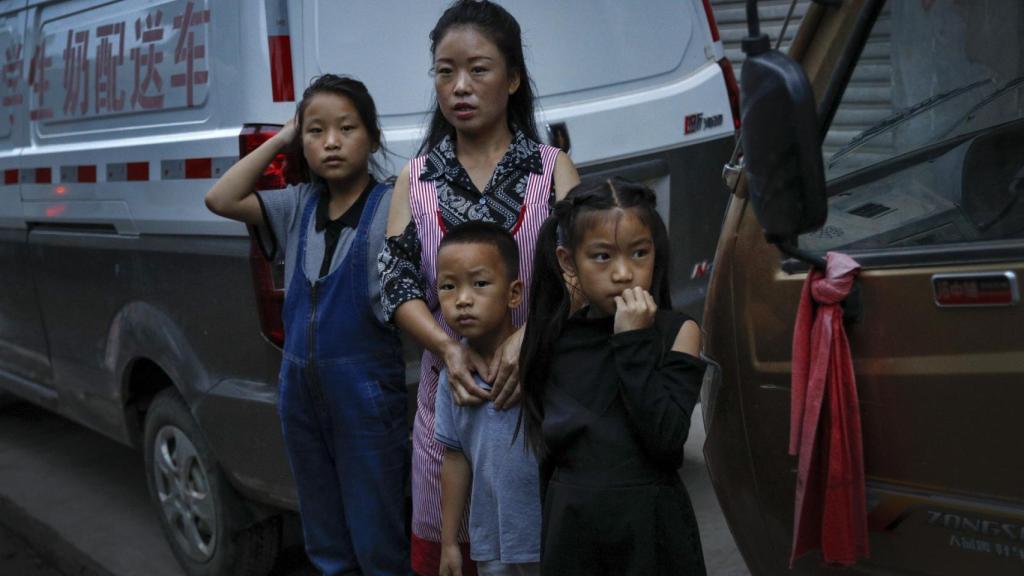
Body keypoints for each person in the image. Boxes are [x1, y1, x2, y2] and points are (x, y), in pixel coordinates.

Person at [378, 2, 579, 574]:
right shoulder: (415, 179)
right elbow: (394, 285)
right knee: (452, 545)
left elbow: (579, 276)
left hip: (539, 399)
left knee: (536, 543)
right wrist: (447, 349)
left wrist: (531, 335)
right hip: (453, 399)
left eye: (479, 69)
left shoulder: (551, 168)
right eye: (445, 71)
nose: (459, 86)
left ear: (513, 79)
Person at [205, 74, 408, 576]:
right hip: (298, 394)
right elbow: (220, 199)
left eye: (346, 128)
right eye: (316, 132)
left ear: (373, 137)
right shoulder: (296, 205)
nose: (331, 142)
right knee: (325, 536)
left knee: (377, 534)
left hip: (366, 392)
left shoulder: (391, 206)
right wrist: (280, 138)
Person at [519, 178, 708, 575]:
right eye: (602, 257)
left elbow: (667, 440)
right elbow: (550, 454)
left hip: (650, 529)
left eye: (639, 253)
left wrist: (633, 341)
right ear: (569, 262)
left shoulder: (678, 332)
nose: (624, 273)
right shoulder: (554, 338)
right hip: (573, 529)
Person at [432, 222, 541, 576]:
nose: (462, 299)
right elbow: (455, 457)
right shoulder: (454, 375)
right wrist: (449, 542)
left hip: (552, 533)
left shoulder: (540, 360)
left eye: (479, 284)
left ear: (514, 294)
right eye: (448, 287)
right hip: (491, 543)